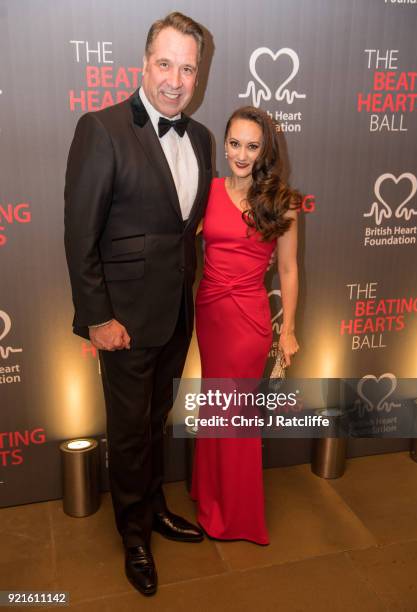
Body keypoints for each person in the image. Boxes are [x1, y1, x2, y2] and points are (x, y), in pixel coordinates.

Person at [64, 12, 212, 596]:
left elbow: (183, 231)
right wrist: (98, 318)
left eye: (188, 68)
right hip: (122, 322)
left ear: (198, 75)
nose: (176, 80)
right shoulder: (100, 129)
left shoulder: (200, 138)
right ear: (143, 64)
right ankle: (133, 535)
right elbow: (80, 236)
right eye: (165, 64)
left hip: (176, 315)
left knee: (155, 423)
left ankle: (153, 508)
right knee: (127, 432)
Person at [191, 106, 301, 544]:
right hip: (211, 311)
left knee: (235, 414)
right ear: (225, 143)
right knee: (215, 404)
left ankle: (234, 516)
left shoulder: (283, 202)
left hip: (248, 319)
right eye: (234, 143)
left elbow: (289, 271)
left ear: (265, 151)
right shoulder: (208, 190)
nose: (240, 154)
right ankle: (208, 495)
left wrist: (288, 329)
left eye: (251, 146)